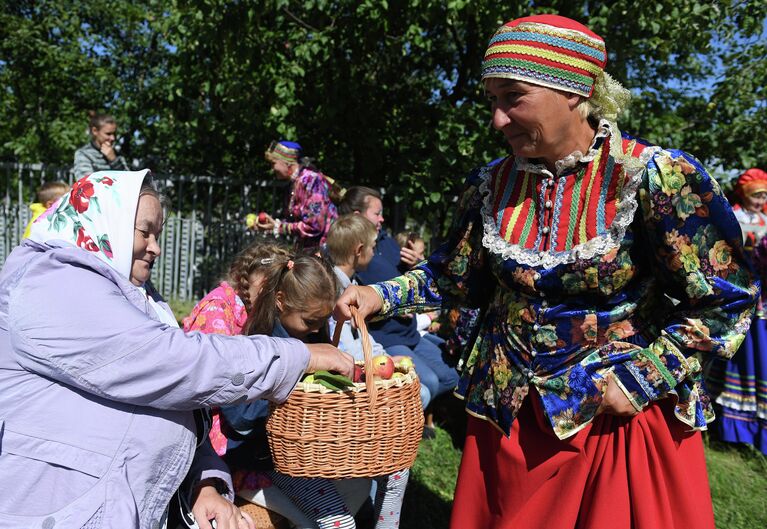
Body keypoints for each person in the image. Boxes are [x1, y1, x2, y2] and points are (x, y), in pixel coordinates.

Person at [335, 14, 758, 529]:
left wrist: (643, 377)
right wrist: (382, 295)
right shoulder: (489, 185)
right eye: (492, 100)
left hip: (608, 419)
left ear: (576, 91)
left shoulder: (652, 177)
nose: (497, 118)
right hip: (507, 418)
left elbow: (725, 297)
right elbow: (454, 277)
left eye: (513, 97)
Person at [0, 170, 353, 529]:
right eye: (144, 232)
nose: (155, 246)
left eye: (158, 234)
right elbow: (173, 363)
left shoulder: (135, 295)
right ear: (105, 223)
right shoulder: (52, 283)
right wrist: (298, 356)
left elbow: (176, 407)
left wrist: (206, 481)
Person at [187, 249, 369, 529]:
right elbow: (239, 419)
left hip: (297, 459)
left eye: (324, 321)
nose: (316, 330)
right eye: (310, 322)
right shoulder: (259, 344)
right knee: (340, 524)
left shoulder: (307, 333)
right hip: (260, 463)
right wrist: (297, 370)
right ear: (281, 301)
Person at [339, 186, 460, 438]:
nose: (382, 218)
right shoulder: (353, 249)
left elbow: (414, 280)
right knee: (430, 383)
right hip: (387, 337)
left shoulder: (385, 242)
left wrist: (418, 262)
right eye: (377, 213)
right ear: (359, 215)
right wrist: (387, 305)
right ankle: (402, 429)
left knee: (450, 376)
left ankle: (420, 417)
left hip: (411, 331)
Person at [325, 214, 411, 529]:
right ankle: (371, 513)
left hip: (363, 374)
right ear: (359, 250)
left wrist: (388, 358)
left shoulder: (348, 284)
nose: (377, 253)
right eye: (374, 247)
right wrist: (381, 363)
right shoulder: (336, 290)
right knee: (391, 454)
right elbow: (347, 348)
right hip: (349, 389)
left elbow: (361, 339)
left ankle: (370, 511)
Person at [707, 168, 767, 454]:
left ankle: (752, 425)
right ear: (745, 194)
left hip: (762, 299)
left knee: (758, 357)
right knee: (738, 355)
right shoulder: (734, 217)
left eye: (764, 195)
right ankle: (728, 425)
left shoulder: (764, 219)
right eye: (756, 194)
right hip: (741, 294)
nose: (760, 200)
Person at [255, 140, 338, 249]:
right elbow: (297, 222)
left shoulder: (310, 180)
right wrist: (272, 225)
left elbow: (314, 225)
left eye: (273, 163)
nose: (272, 169)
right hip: (311, 252)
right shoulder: (295, 182)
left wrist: (279, 227)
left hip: (327, 251)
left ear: (286, 162)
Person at [73, 112, 130, 179]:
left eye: (114, 134)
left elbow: (128, 180)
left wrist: (114, 160)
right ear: (95, 131)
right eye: (108, 134)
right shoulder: (83, 154)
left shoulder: (116, 154)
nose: (113, 138)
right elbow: (87, 184)